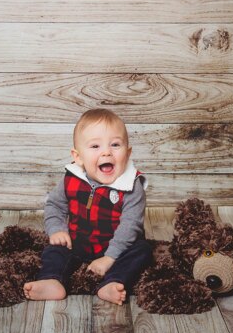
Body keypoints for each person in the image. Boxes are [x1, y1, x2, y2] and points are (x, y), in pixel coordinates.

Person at [24, 109, 151, 305]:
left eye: (115, 145)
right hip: (78, 243)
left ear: (128, 152)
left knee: (142, 251)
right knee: (53, 250)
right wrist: (57, 229)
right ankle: (52, 280)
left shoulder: (131, 186)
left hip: (118, 247)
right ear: (78, 157)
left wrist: (109, 258)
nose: (106, 152)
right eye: (95, 146)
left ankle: (112, 282)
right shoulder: (71, 179)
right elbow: (54, 206)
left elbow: (130, 225)